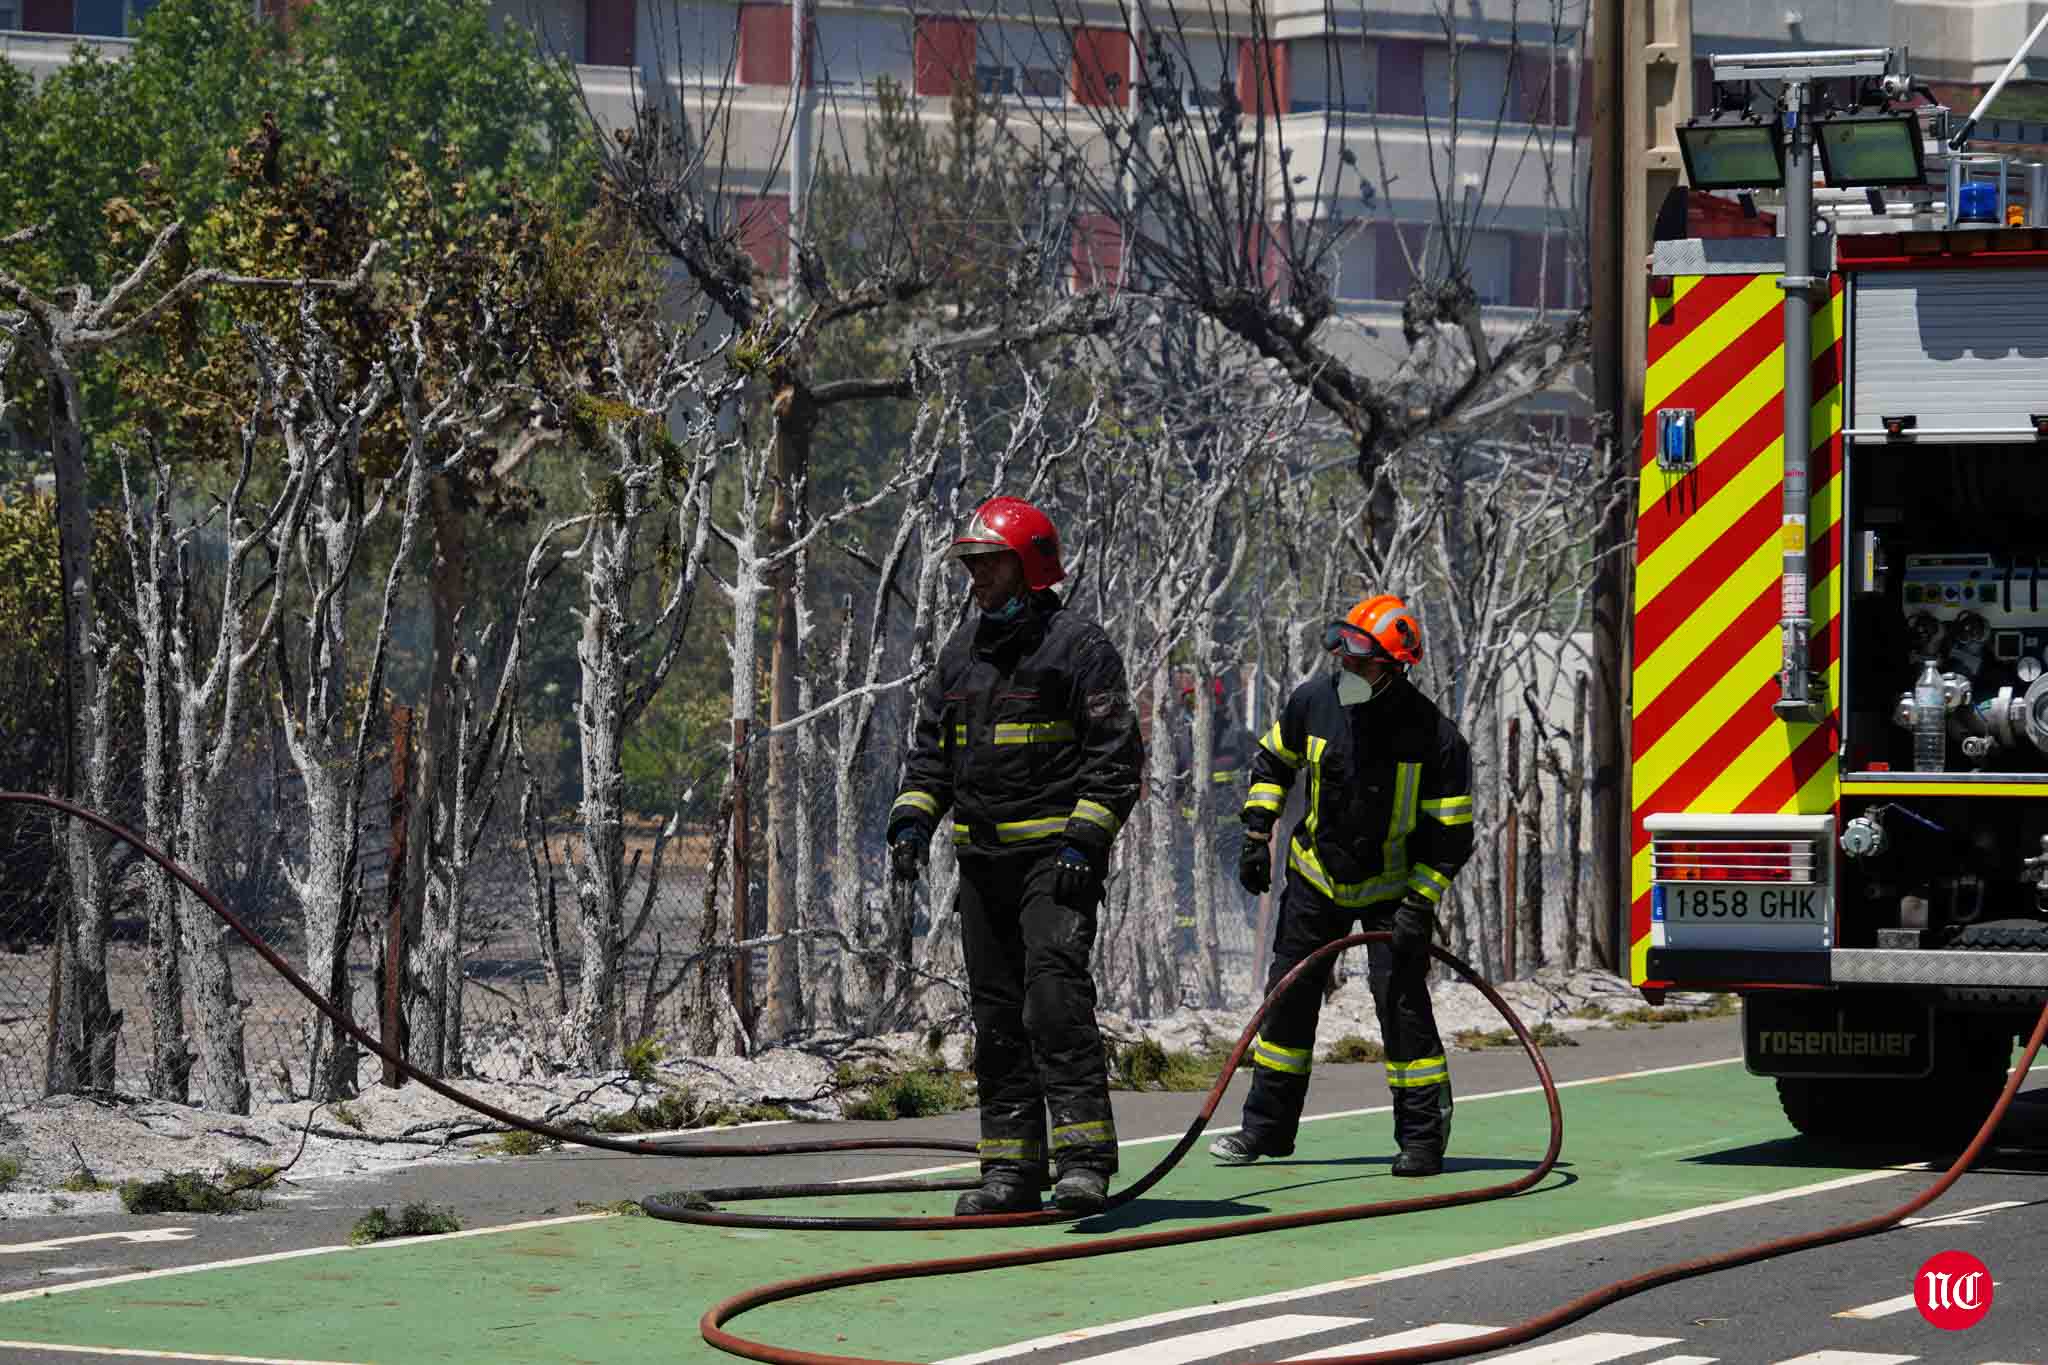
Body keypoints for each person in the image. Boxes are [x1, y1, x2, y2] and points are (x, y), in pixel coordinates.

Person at [886, 496, 1143, 1215]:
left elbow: (1116, 760)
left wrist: (1085, 839)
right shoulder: (960, 653)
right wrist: (911, 822)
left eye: (988, 563)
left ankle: (1083, 1163)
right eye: (970, 565)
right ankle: (1010, 1170)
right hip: (982, 866)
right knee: (997, 1019)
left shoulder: (1079, 649)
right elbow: (931, 755)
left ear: (1029, 567)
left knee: (1054, 1004)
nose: (976, 578)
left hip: (1055, 866)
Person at [1209, 593, 1474, 1177]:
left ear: (1394, 668)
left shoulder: (1435, 737)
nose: (1346, 667)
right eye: (1344, 655)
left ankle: (1422, 1139)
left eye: (1360, 660)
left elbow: (1451, 837)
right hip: (1315, 879)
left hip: (1393, 893)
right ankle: (1266, 1130)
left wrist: (1420, 902)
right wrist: (1256, 832)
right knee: (1287, 1001)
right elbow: (1272, 763)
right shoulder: (1315, 702)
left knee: (1402, 1008)